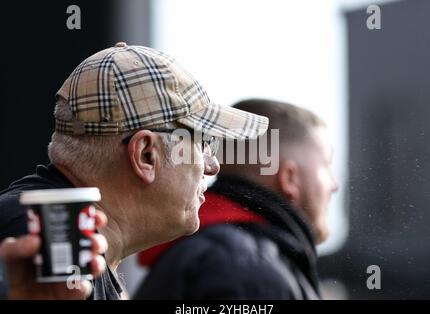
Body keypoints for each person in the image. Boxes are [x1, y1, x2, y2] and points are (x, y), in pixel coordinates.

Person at [0, 43, 268, 299]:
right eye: (204, 143)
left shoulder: (61, 237)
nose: (213, 165)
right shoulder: (47, 240)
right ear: (146, 155)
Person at [134, 99, 338, 299]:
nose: (334, 185)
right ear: (290, 178)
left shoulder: (210, 253)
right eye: (327, 165)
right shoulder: (250, 270)